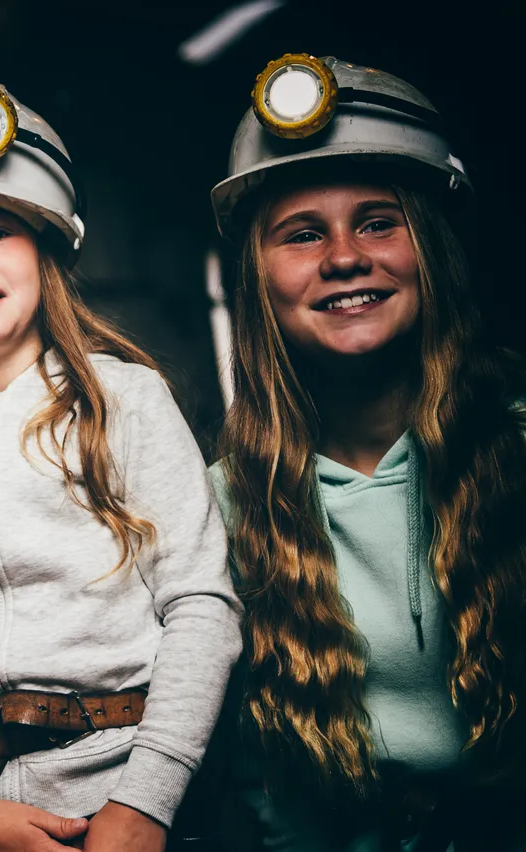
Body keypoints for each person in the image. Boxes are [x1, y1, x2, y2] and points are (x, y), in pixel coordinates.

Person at [0, 80, 244, 852]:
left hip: (136, 800)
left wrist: (148, 800)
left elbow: (201, 605)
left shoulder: (126, 400)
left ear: (44, 255)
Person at [208, 54, 526, 850]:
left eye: (379, 222)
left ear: (433, 249)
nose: (344, 257)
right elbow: (257, 786)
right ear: (258, 281)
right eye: (303, 234)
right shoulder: (223, 503)